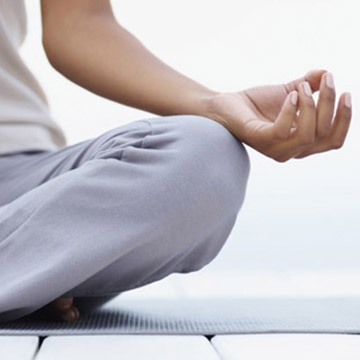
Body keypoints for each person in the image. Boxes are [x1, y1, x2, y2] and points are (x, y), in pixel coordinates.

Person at [0, 0, 351, 323]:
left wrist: (215, 105)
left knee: (207, 157)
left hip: (20, 177)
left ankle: (26, 265)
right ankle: (28, 271)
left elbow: (78, 23)